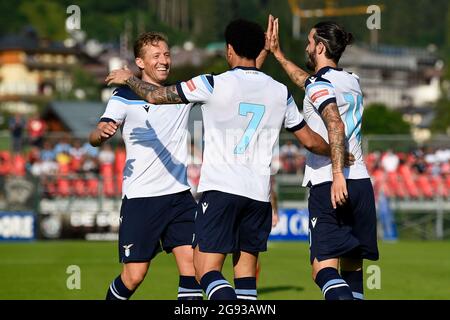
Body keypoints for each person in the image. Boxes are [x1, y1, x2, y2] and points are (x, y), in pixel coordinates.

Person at [106, 19, 353, 300]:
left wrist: (128, 78)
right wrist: (339, 153)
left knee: (205, 272)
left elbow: (155, 95)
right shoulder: (279, 91)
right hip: (258, 197)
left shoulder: (212, 84)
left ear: (229, 50)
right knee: (246, 277)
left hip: (221, 191)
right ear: (260, 49)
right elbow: (309, 140)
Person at [265, 16, 379, 300]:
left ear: (319, 47)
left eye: (308, 42)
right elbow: (308, 82)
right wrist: (279, 56)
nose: (306, 47)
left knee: (322, 270)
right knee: (352, 269)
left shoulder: (320, 83)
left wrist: (337, 174)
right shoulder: (351, 80)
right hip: (362, 184)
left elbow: (335, 125)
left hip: (331, 182)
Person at [90, 32, 202, 300]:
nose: (164, 61)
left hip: (179, 197)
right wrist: (100, 133)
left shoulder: (179, 94)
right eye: (156, 56)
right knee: (134, 276)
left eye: (166, 54)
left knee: (194, 269)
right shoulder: (123, 96)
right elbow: (94, 137)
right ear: (140, 62)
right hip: (141, 199)